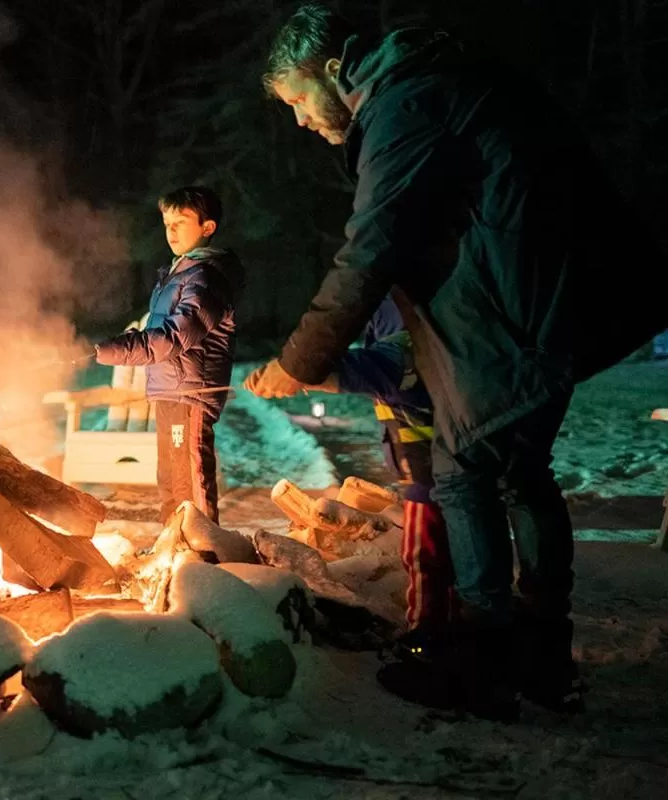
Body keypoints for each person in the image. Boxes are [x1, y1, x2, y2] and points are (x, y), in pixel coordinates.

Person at [243, 3, 668, 719]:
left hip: (516, 312)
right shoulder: (438, 80)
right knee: (521, 471)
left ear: (335, 70)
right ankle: (541, 656)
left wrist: (301, 359)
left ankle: (480, 660)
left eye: (296, 102)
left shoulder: (406, 104)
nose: (300, 122)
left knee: (463, 469)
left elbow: (370, 248)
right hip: (548, 302)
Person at [312, 296, 456, 648]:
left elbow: (390, 363)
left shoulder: (409, 300)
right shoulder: (402, 296)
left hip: (432, 471)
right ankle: (452, 622)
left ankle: (426, 637)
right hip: (436, 468)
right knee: (451, 552)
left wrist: (303, 370)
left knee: (424, 556)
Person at [95, 186, 244, 525]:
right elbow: (155, 332)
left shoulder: (206, 278)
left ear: (208, 227)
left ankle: (203, 556)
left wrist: (112, 350)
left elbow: (174, 337)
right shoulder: (178, 274)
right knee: (170, 481)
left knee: (189, 482)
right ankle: (173, 547)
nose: (171, 231)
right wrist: (113, 344)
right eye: (166, 223)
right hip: (171, 389)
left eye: (181, 221)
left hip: (190, 393)